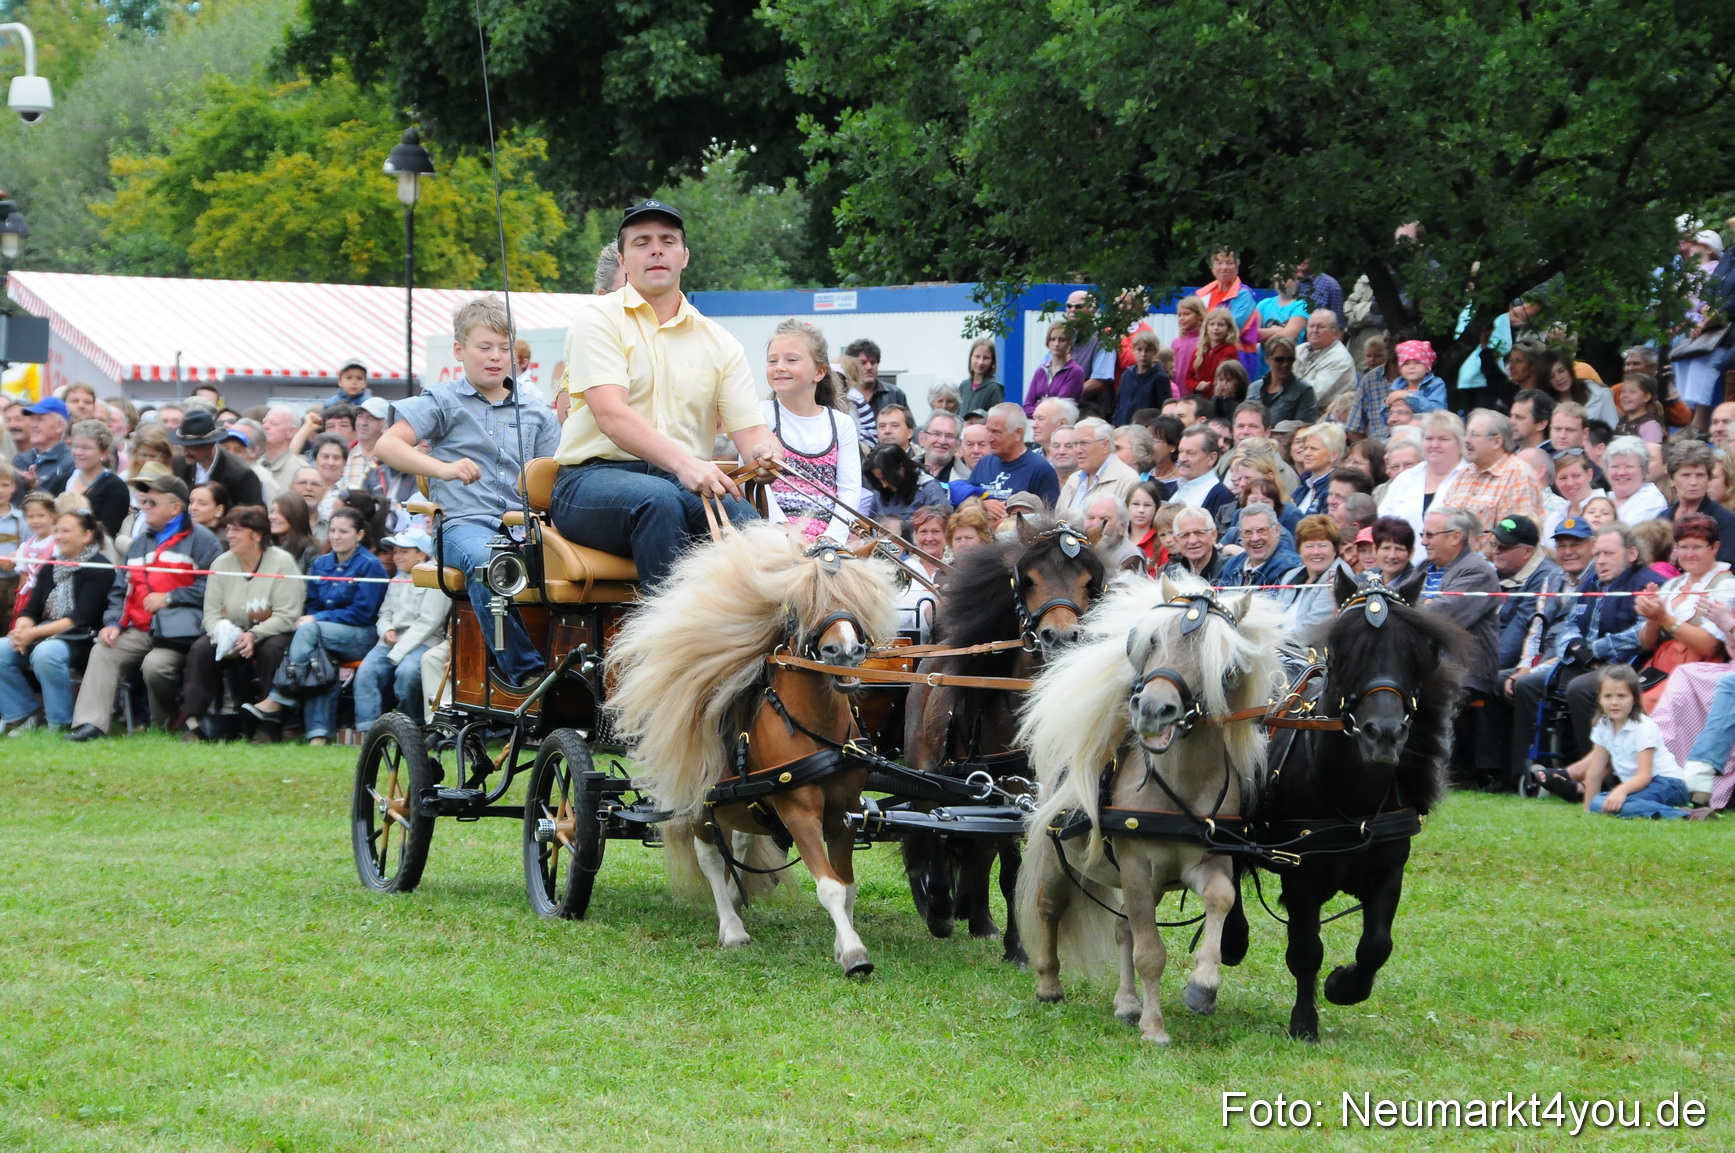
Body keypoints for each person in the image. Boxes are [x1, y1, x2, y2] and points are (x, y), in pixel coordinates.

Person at [550, 201, 780, 595]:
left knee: (748, 527)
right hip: (589, 480)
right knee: (657, 502)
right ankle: (675, 647)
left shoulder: (720, 342)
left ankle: (763, 650)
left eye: (667, 240)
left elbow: (753, 431)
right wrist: (688, 465)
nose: (656, 249)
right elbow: (610, 414)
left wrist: (767, 454)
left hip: (681, 483)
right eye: (642, 242)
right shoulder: (597, 317)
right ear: (623, 259)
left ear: (684, 256)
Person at [375, 296, 561, 687]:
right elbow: (387, 446)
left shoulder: (536, 411)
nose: (495, 357)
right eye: (484, 347)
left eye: (504, 348)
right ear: (459, 350)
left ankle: (578, 666)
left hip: (524, 528)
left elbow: (554, 479)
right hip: (463, 525)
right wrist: (443, 468)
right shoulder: (442, 400)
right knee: (485, 561)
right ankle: (527, 674)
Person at [64, 475, 222, 742]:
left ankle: (161, 724)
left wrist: (170, 597)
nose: (144, 507)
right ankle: (90, 725)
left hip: (178, 633)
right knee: (103, 650)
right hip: (138, 628)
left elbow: (214, 588)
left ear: (175, 507)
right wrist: (113, 623)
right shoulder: (140, 542)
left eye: (152, 502)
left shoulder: (203, 541)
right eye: (144, 502)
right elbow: (119, 590)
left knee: (155, 665)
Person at [1507, 522, 1666, 773]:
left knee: (1579, 688)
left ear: (1632, 554)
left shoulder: (1649, 583)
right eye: (1598, 554)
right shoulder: (1592, 582)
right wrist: (1575, 645)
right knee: (1528, 685)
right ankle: (1526, 773)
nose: (1601, 561)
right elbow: (1568, 621)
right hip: (1581, 661)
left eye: (1609, 554)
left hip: (1626, 667)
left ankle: (1593, 774)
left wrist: (1596, 649)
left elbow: (1643, 631)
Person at [243, 507, 386, 745]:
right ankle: (317, 735)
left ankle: (279, 697)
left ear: (359, 535)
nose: (336, 536)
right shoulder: (321, 564)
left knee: (308, 630)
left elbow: (363, 613)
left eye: (344, 531)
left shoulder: (370, 565)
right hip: (325, 637)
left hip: (362, 636)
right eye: (332, 530)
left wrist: (319, 619)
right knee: (320, 661)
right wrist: (316, 617)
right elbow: (313, 603)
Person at [178, 505, 305, 742]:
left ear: (256, 535)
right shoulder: (220, 564)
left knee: (273, 649)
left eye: (237, 530)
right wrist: (223, 633)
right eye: (228, 529)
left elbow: (288, 615)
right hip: (232, 633)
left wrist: (254, 635)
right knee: (201, 649)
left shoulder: (282, 563)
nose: (230, 535)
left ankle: (269, 725)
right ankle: (194, 721)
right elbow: (211, 615)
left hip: (273, 632)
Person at [0, 510, 115, 735]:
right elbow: (32, 608)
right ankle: (24, 714)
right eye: (57, 530)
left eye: (66, 531)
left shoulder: (100, 568)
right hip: (45, 632)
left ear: (87, 535)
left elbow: (82, 617)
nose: (59, 536)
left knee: (46, 654)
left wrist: (33, 634)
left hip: (82, 638)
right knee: (1, 650)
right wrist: (22, 628)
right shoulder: (51, 564)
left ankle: (59, 722)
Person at [1418, 505, 1504, 788]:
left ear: (1456, 537)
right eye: (1422, 534)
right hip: (1431, 663)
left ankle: (1451, 770)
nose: (1423, 541)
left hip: (1466, 668)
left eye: (1430, 534)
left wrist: (1421, 607)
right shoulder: (1423, 568)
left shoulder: (1477, 571)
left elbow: (1443, 616)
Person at [1537, 666, 1691, 817]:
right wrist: (1588, 810)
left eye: (1622, 696)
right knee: (1599, 803)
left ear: (1635, 699)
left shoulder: (1644, 726)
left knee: (1620, 804)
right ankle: (1645, 808)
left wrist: (1621, 790)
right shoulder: (1603, 725)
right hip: (1637, 789)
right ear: (1599, 698)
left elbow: (1644, 776)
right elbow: (1595, 772)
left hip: (1668, 784)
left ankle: (1684, 815)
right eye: (1608, 696)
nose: (1614, 702)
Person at [760, 318, 862, 543]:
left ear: (819, 372)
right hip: (773, 536)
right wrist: (783, 529)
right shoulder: (761, 415)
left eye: (792, 359)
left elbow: (850, 490)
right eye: (772, 360)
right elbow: (752, 480)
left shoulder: (841, 424)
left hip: (828, 537)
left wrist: (831, 538)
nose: (780, 367)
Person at [353, 529, 449, 732]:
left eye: (403, 551)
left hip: (425, 641)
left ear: (421, 553)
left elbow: (428, 622)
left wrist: (396, 653)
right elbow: (384, 613)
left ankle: (410, 730)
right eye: (395, 551)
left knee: (407, 673)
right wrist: (386, 630)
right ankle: (368, 732)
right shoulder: (397, 578)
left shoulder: (435, 578)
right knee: (366, 672)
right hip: (390, 641)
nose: (396, 556)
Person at [1632, 514, 1732, 697]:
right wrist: (1652, 620)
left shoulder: (1725, 585)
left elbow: (1709, 646)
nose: (1689, 554)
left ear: (1715, 548)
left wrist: (1664, 618)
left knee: (1643, 705)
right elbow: (1646, 644)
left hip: (1697, 672)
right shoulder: (1672, 585)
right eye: (1683, 547)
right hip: (1659, 668)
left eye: (1697, 547)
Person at [1439, 409, 1545, 541]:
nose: (1466, 440)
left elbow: (1514, 537)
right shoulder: (1464, 474)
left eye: (1474, 435)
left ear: (1497, 442)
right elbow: (1443, 523)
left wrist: (1474, 560)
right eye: (1466, 434)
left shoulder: (1519, 475)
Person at [968, 402, 1059, 509]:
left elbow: (1048, 519)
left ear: (1018, 434)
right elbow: (966, 501)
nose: (989, 439)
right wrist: (982, 505)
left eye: (996, 432)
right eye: (988, 431)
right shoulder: (984, 463)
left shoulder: (1040, 469)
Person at [168, 408, 263, 509]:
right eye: (181, 446)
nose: (184, 453)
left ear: (210, 444)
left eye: (190, 447)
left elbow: (253, 516)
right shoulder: (178, 463)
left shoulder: (240, 473)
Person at [1275, 514, 1351, 635]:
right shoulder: (1291, 576)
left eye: (1323, 545)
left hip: (1308, 651)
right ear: (1299, 550)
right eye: (1309, 546)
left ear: (1335, 549)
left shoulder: (1339, 575)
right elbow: (1275, 616)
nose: (1316, 552)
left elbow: (1316, 625)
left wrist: (1280, 643)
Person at [60, 420, 129, 537]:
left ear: (104, 453)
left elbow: (107, 531)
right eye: (75, 446)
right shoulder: (63, 479)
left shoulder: (115, 487)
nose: (78, 452)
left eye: (86, 448)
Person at [1058, 417, 1140, 513]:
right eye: (1075, 444)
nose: (1077, 450)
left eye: (1084, 443)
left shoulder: (1128, 480)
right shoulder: (1074, 479)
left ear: (1105, 445)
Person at [1216, 501, 1299, 592]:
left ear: (1277, 530)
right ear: (1241, 535)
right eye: (1248, 532)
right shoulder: (1233, 564)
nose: (1254, 538)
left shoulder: (1290, 568)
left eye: (1262, 530)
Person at [862, 443, 949, 522]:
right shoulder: (880, 490)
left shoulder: (930, 490)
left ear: (901, 467)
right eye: (879, 480)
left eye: (886, 478)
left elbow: (943, 528)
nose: (884, 485)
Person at [7, 491, 57, 621]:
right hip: (28, 597)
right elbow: (23, 576)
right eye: (30, 516)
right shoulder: (25, 546)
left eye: (41, 516)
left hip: (49, 595)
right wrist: (19, 598)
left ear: (52, 516)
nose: (36, 521)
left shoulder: (56, 543)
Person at [1168, 426, 1235, 519]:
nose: (1182, 458)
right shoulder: (1177, 487)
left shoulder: (1221, 496)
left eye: (1190, 453)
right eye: (1181, 452)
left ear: (1212, 458)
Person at [1602, 435, 1668, 525]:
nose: (1621, 472)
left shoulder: (1650, 499)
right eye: (1615, 466)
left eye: (1629, 466)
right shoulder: (1605, 498)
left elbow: (1624, 535)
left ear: (1644, 470)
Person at [1294, 310, 1355, 406]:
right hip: (1294, 408)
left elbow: (1312, 395)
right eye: (1311, 326)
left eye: (1321, 327)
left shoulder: (1340, 359)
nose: (1315, 331)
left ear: (1335, 332)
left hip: (1323, 416)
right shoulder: (1298, 349)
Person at [14, 397, 74, 495]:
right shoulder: (20, 459)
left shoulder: (72, 461)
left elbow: (63, 504)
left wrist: (34, 486)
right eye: (32, 420)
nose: (33, 425)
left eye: (40, 419)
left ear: (59, 426)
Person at [1023, 323, 1085, 416]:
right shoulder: (1041, 371)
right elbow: (1027, 406)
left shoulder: (1075, 372)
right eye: (1053, 339)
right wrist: (1043, 413)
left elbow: (1060, 408)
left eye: (1062, 340)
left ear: (1069, 343)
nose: (1056, 344)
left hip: (1063, 426)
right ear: (1048, 343)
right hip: (1040, 425)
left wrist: (1037, 406)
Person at [1113, 330, 1172, 425]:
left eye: (1148, 350)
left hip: (1146, 428)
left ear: (1155, 352)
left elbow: (1164, 407)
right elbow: (1119, 404)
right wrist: (1115, 423)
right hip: (1124, 426)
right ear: (1133, 351)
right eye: (1139, 350)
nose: (1143, 355)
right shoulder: (1126, 375)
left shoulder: (1160, 377)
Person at [1289, 422, 1345, 517]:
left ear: (1333, 455)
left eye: (1314, 449)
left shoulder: (1335, 490)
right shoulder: (1303, 488)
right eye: (1306, 448)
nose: (1307, 453)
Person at [1181, 307, 1240, 397]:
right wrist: (1197, 385)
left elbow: (1225, 378)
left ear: (1229, 329)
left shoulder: (1229, 351)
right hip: (1199, 396)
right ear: (1206, 328)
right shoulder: (1199, 351)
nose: (1215, 328)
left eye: (1221, 325)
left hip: (1218, 397)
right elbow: (1189, 377)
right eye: (1212, 324)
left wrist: (1207, 387)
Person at [842, 337, 908, 416]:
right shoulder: (843, 396)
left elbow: (909, 425)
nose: (869, 367)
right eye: (863, 363)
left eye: (873, 362)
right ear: (852, 366)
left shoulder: (895, 394)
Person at [1082, 492, 1142, 571]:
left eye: (1104, 519)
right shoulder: (1078, 547)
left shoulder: (1130, 558)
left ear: (1121, 527)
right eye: (1091, 518)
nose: (1095, 524)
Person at [1166, 506, 1226, 582]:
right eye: (1185, 535)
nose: (1192, 541)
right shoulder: (1170, 575)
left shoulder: (1230, 571)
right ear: (1176, 540)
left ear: (1213, 535)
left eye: (1199, 533)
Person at [918, 412, 968, 484]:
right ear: (922, 438)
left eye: (949, 436)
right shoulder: (904, 471)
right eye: (936, 434)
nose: (942, 441)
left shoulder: (967, 481)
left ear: (958, 444)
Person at [959, 338, 1004, 413]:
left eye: (986, 358)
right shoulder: (964, 385)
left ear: (992, 361)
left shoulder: (994, 388)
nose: (980, 362)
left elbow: (997, 418)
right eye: (977, 356)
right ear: (971, 357)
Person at [1126, 481, 1163, 568]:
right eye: (1135, 504)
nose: (1141, 510)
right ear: (1127, 506)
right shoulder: (1117, 540)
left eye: (1147, 505)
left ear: (1156, 508)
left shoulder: (1163, 542)